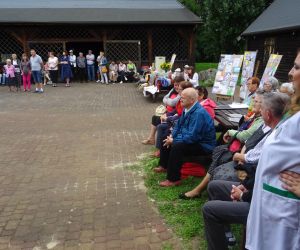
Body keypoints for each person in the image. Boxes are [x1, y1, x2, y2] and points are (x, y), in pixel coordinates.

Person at [202, 92, 291, 250]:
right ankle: (226, 233)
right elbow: (258, 169)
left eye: (261, 106)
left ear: (268, 114)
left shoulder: (277, 141)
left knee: (209, 209)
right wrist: (245, 185)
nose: (258, 110)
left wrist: (243, 193)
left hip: (261, 204)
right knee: (214, 186)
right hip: (254, 188)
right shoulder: (272, 132)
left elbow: (264, 177)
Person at [246, 53, 300, 250]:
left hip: (285, 218)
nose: (291, 72)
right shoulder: (295, 113)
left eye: (297, 66)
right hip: (271, 208)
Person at [179, 91, 264, 199]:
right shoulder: (255, 117)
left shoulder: (260, 121)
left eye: (256, 101)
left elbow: (244, 136)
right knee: (219, 150)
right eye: (253, 100)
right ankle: (203, 186)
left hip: (240, 153)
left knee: (220, 152)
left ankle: (200, 189)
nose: (252, 103)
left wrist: (230, 132)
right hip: (238, 149)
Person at [157, 88, 216, 187]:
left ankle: (173, 179)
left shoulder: (199, 113)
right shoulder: (187, 108)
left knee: (177, 146)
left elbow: (193, 137)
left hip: (204, 145)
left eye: (183, 98)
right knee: (166, 136)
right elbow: (178, 125)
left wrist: (174, 140)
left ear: (192, 100)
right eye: (181, 97)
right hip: (193, 139)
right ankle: (164, 165)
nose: (180, 100)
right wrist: (172, 136)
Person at [141, 76, 183, 145]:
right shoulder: (173, 90)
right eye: (175, 85)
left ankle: (159, 146)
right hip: (169, 113)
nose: (176, 87)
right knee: (155, 118)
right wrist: (168, 102)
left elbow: (173, 103)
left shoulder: (181, 93)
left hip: (173, 116)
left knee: (160, 124)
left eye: (178, 85)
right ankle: (151, 139)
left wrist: (168, 102)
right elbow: (164, 98)